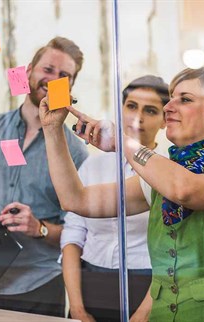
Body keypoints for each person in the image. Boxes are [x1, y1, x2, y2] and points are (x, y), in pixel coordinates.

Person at [39, 66, 204, 321]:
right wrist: (52, 130)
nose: (168, 107)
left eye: (184, 99)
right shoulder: (157, 179)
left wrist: (122, 141)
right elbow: (75, 200)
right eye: (170, 98)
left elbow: (185, 189)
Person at [0, 37, 89, 317]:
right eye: (47, 69)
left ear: (70, 87)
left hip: (40, 285)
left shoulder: (75, 151)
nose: (53, 80)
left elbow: (80, 232)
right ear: (28, 73)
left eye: (64, 76)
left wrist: (40, 228)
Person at [62, 75, 169, 322]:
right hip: (89, 282)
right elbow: (73, 235)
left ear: (165, 120)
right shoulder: (93, 165)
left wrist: (142, 316)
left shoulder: (168, 170)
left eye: (150, 110)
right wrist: (77, 309)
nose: (137, 117)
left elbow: (173, 252)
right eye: (131, 106)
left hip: (148, 286)